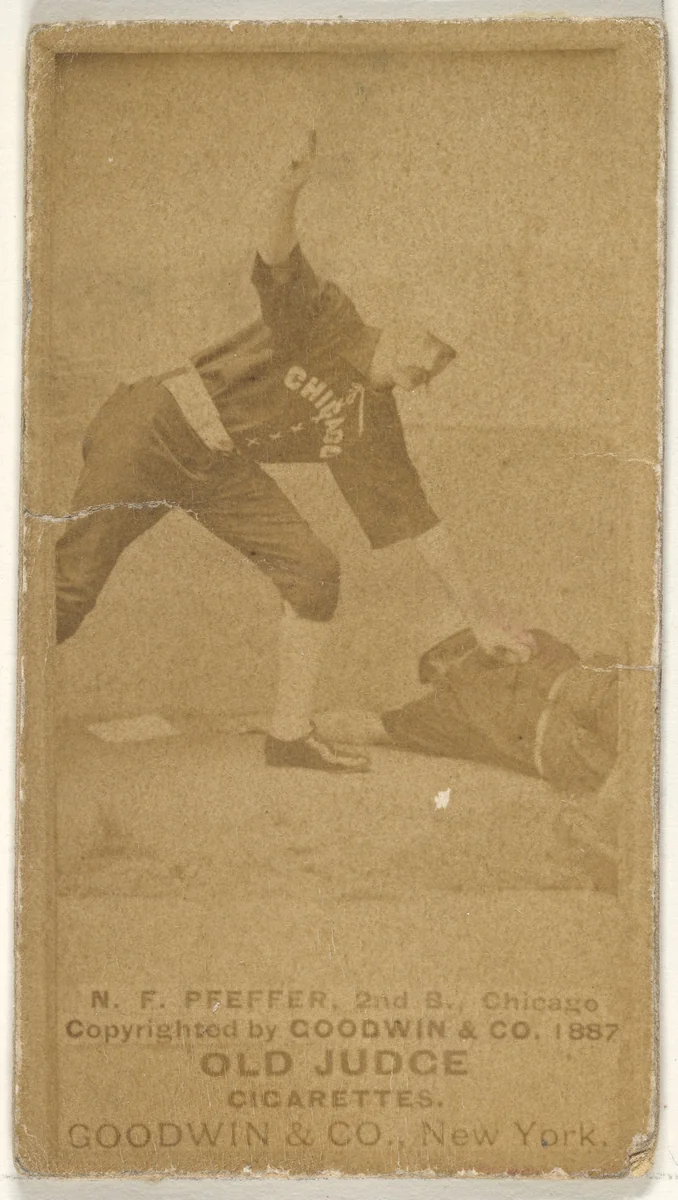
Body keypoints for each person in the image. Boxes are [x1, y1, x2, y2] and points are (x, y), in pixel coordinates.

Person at [56, 130, 534, 773]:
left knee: (313, 569)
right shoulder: (327, 320)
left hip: (220, 469)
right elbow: (279, 255)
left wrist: (479, 623)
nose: (425, 371)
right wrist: (286, 188)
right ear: (403, 326)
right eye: (427, 350)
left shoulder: (373, 424)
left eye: (437, 368)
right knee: (70, 589)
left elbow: (423, 523)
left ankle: (288, 736)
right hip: (153, 427)